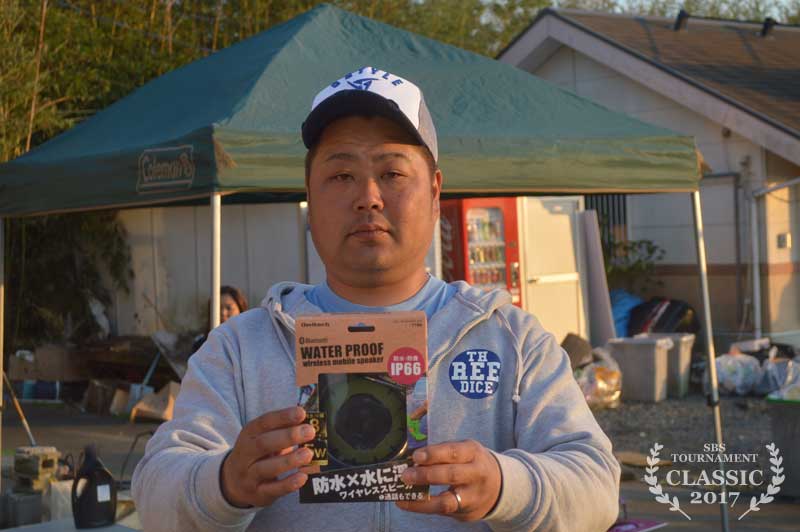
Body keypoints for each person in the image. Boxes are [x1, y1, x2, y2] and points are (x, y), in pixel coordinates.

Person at [132, 67, 620, 531]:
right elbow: (155, 495)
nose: (368, 196)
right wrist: (223, 483)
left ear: (435, 192)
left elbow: (597, 488)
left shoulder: (513, 340)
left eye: (392, 173)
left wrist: (505, 486)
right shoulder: (239, 349)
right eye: (341, 176)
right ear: (309, 200)